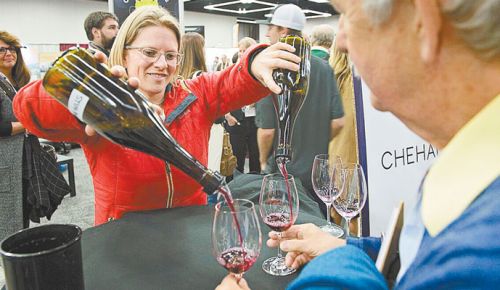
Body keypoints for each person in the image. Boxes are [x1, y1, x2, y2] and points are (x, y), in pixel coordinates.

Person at [217, 0, 500, 289]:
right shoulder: (469, 179)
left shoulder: (482, 249)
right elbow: (418, 259)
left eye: (347, 16)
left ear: (423, 23)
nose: (341, 41)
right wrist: (345, 249)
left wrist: (338, 260)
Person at [14, 6, 301, 225]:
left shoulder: (196, 94)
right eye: (149, 52)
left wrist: (254, 62)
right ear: (124, 54)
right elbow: (27, 110)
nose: (161, 64)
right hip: (123, 237)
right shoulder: (103, 109)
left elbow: (233, 80)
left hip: (188, 230)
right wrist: (79, 103)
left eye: (171, 55)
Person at [255, 4, 344, 213]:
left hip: (284, 175)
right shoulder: (324, 68)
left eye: (272, 28)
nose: (268, 33)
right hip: (318, 174)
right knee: (319, 229)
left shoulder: (273, 70)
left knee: (286, 236)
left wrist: (261, 162)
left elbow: (267, 131)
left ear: (283, 31)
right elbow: (339, 122)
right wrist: (317, 140)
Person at [0, 31, 29, 241]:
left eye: (11, 49)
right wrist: (30, 123)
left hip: (21, 159)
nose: (8, 53)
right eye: (1, 49)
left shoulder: (17, 81)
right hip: (5, 162)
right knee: (9, 220)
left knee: (22, 214)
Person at [223, 37, 260, 174]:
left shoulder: (258, 72)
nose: (242, 53)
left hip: (255, 120)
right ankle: (235, 190)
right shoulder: (231, 72)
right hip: (235, 120)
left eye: (246, 50)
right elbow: (223, 96)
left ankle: (253, 188)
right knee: (236, 158)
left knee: (256, 158)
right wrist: (227, 116)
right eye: (240, 50)